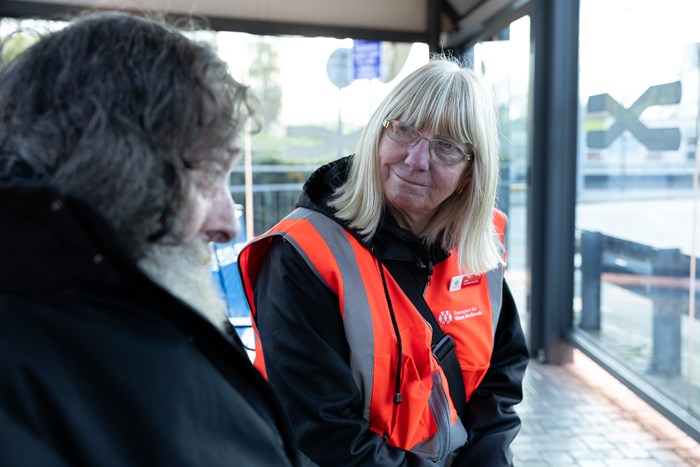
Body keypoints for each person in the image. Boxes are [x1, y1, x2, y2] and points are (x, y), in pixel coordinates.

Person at [0, 11, 311, 466]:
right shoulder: (20, 375)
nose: (229, 226)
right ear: (119, 172)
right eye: (209, 177)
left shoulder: (144, 300)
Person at [238, 55, 529, 466]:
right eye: (404, 129)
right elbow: (324, 429)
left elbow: (501, 372)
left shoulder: (480, 243)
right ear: (378, 133)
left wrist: (490, 456)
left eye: (446, 146)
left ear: (470, 172)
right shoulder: (302, 255)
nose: (416, 159)